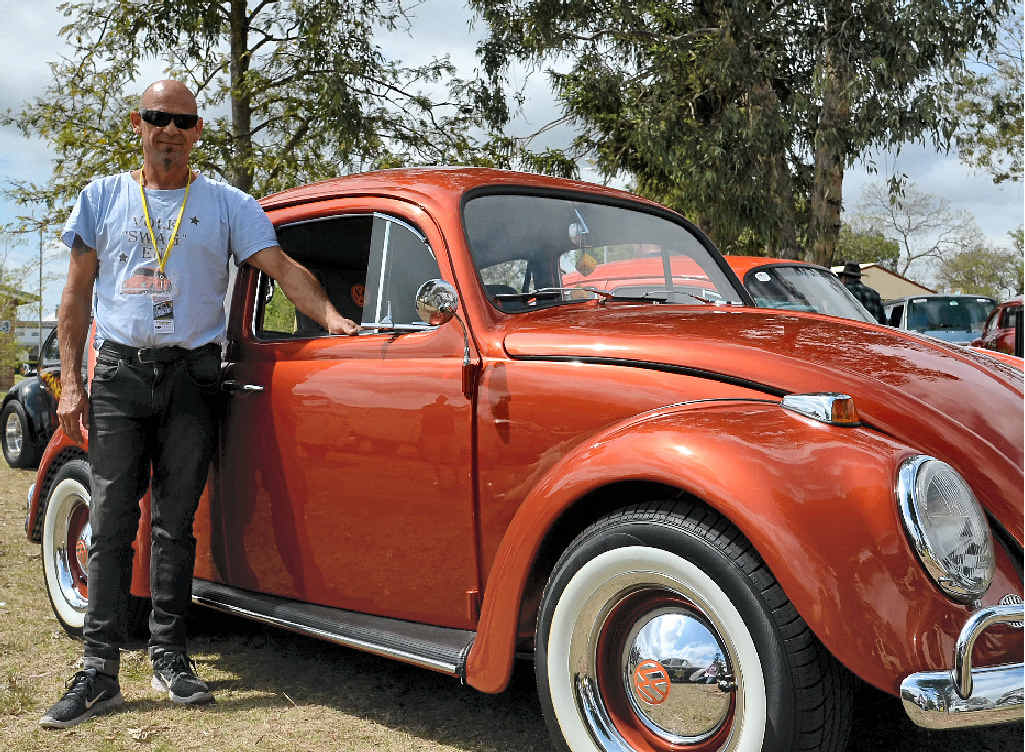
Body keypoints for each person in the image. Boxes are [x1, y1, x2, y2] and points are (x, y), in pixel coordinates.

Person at [40, 80, 358, 729]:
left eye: (180, 121)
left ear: (197, 131)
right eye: (157, 118)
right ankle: (98, 671)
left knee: (176, 525)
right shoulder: (102, 198)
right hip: (122, 376)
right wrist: (72, 381)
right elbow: (73, 298)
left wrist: (331, 317)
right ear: (139, 123)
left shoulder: (226, 205)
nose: (168, 130)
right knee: (111, 524)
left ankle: (169, 657)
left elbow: (282, 267)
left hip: (192, 377)